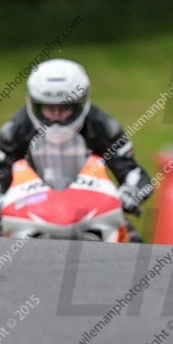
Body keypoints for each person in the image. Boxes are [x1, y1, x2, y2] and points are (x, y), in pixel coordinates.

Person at [0, 58, 153, 241]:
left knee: (132, 240)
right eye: (49, 108)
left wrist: (130, 193)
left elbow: (133, 172)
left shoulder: (103, 126)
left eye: (65, 107)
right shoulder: (15, 130)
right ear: (35, 104)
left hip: (90, 211)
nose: (56, 116)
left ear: (80, 103)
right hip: (32, 209)